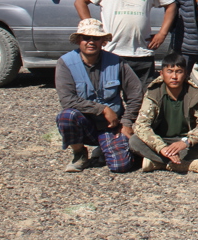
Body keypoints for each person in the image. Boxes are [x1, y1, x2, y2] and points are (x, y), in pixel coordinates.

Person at [55, 19, 143, 173]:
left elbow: (136, 94)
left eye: (96, 38)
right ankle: (79, 154)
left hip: (112, 126)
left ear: (103, 41)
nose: (91, 42)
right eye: (86, 38)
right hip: (84, 125)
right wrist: (102, 109)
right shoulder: (65, 63)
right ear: (78, 41)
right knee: (66, 116)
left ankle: (103, 148)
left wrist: (127, 121)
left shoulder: (117, 62)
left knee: (121, 166)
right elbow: (67, 100)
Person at [129, 52, 198, 173]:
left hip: (184, 141)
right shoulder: (153, 93)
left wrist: (186, 142)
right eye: (170, 71)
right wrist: (162, 148)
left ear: (185, 74)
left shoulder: (194, 93)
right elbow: (141, 125)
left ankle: (158, 163)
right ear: (162, 73)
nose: (174, 77)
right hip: (160, 140)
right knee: (134, 141)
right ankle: (184, 164)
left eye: (179, 72)